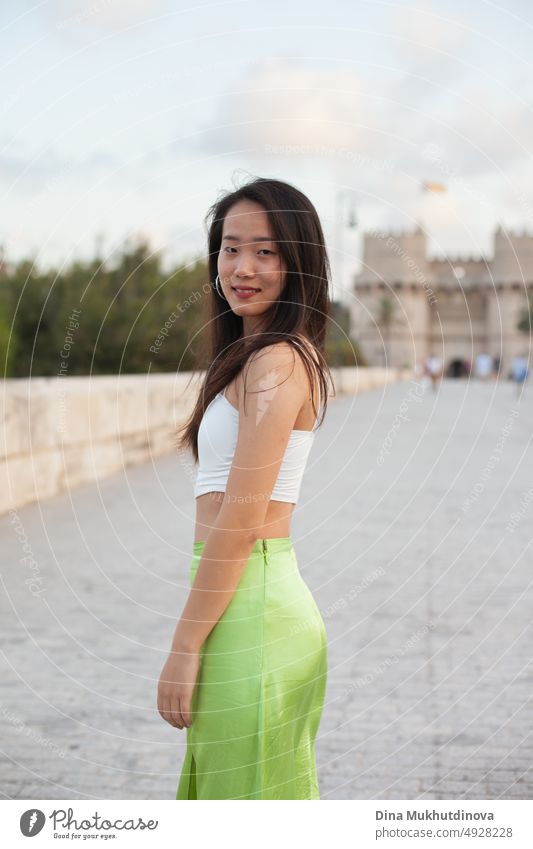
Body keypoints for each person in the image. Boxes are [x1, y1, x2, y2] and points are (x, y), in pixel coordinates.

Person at [157, 176, 334, 800]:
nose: (242, 267)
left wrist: (184, 645)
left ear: (298, 261)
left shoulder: (278, 361)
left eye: (266, 251)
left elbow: (240, 519)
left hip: (254, 606)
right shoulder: (256, 354)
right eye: (230, 249)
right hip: (245, 599)